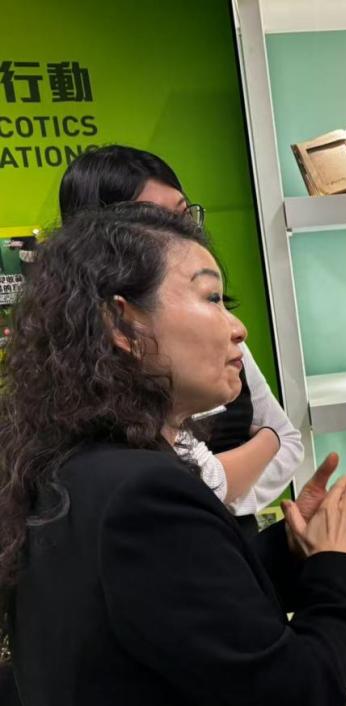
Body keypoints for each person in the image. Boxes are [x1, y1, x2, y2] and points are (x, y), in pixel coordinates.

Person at [0, 205, 346, 706]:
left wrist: (292, 549)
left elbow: (170, 610)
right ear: (122, 325)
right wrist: (335, 566)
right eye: (211, 297)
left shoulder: (74, 469)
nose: (237, 327)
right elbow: (297, 705)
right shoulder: (142, 494)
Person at [58, 144, 301, 534]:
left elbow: (286, 442)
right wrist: (266, 441)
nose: (237, 330)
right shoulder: (84, 383)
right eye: (154, 220)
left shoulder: (220, 334)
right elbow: (198, 481)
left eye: (184, 215)